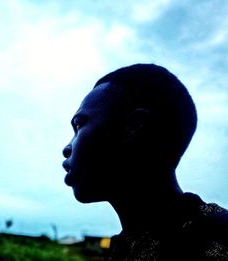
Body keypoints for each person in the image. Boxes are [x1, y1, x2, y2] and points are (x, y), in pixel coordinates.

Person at [62, 64, 228, 260]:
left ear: (133, 127)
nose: (67, 148)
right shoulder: (122, 250)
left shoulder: (217, 238)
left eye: (79, 124)